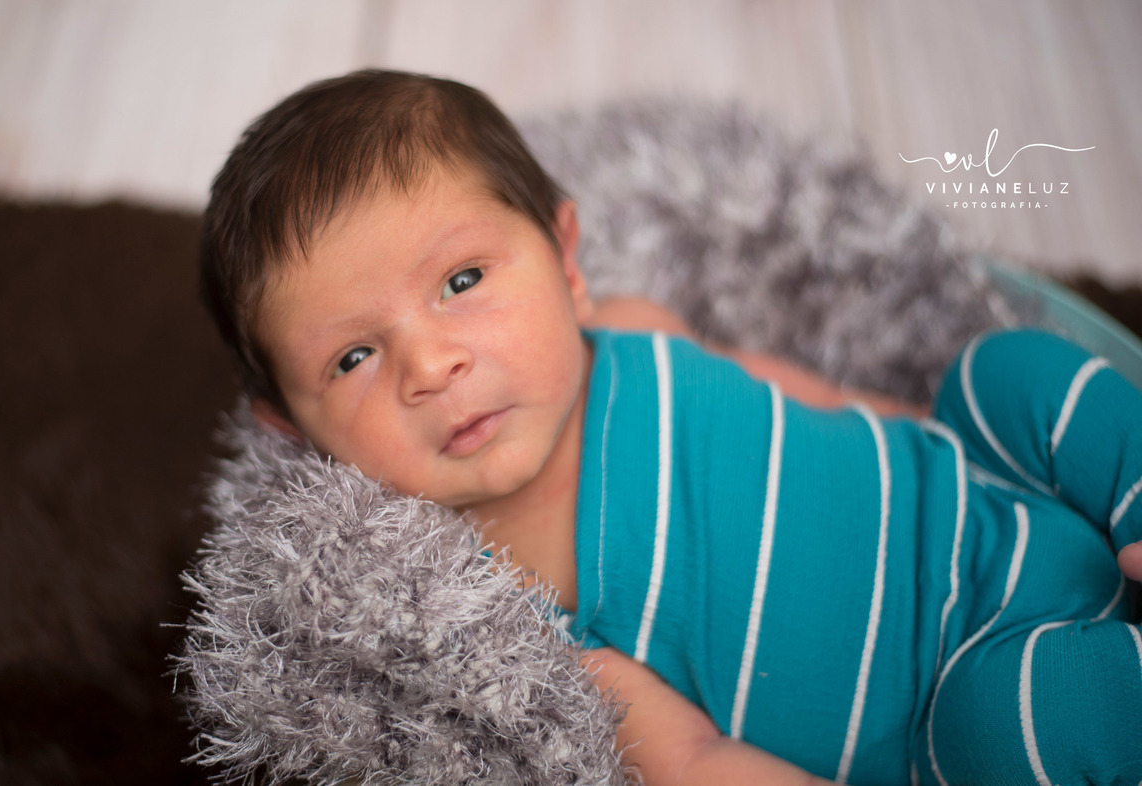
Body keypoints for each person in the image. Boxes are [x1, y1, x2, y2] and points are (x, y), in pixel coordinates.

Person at [199, 69, 1142, 785]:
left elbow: (809, 398)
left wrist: (940, 449)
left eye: (462, 282)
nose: (429, 366)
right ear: (292, 429)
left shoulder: (637, 331)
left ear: (566, 262)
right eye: (353, 359)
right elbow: (696, 762)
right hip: (967, 680)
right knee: (1014, 726)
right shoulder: (502, 602)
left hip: (989, 492)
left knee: (1004, 369)